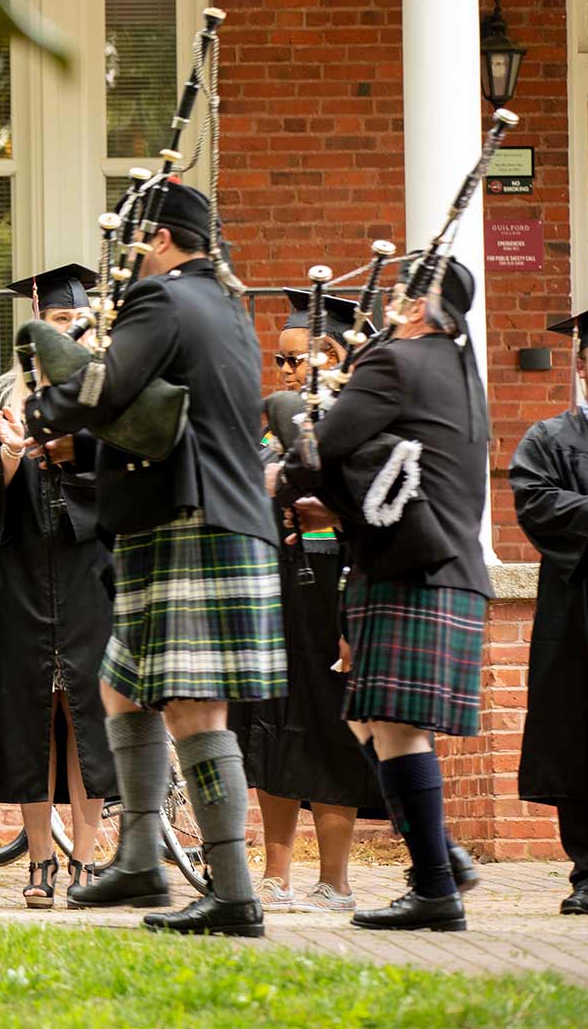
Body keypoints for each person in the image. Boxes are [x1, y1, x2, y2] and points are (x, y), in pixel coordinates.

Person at [27, 185, 284, 938]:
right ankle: (141, 856)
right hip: (192, 514)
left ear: (165, 240)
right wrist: (94, 447)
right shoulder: (226, 309)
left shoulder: (164, 302)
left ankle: (234, 891)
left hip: (192, 522)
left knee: (194, 708)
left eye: (137, 243)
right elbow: (168, 416)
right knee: (122, 688)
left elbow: (108, 383)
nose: (130, 257)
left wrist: (45, 414)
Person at [282, 258, 491, 932]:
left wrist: (274, 474)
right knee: (366, 717)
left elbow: (321, 449)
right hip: (439, 561)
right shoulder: (463, 372)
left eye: (407, 289)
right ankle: (443, 857)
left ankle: (434, 886)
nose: (393, 297)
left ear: (423, 307)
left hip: (412, 568)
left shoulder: (397, 360)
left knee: (396, 727)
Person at [0, 264, 116, 907]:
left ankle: (86, 860)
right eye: (54, 322)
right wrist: (13, 455)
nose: (66, 332)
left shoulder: (102, 398)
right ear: (34, 328)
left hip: (86, 576)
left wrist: (66, 455)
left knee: (87, 719)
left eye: (75, 323)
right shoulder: (3, 395)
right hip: (18, 575)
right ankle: (39, 865)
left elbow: (122, 482)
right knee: (29, 718)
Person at [236, 289, 384, 913]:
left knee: (329, 728)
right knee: (269, 723)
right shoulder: (274, 425)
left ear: (331, 356)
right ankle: (276, 876)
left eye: (296, 360)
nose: (287, 372)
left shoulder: (358, 424)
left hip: (336, 588)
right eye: (280, 360)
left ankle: (336, 880)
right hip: (274, 582)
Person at [509, 300, 588, 917]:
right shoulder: (549, 438)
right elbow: (533, 504)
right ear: (581, 364)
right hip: (579, 612)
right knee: (581, 734)